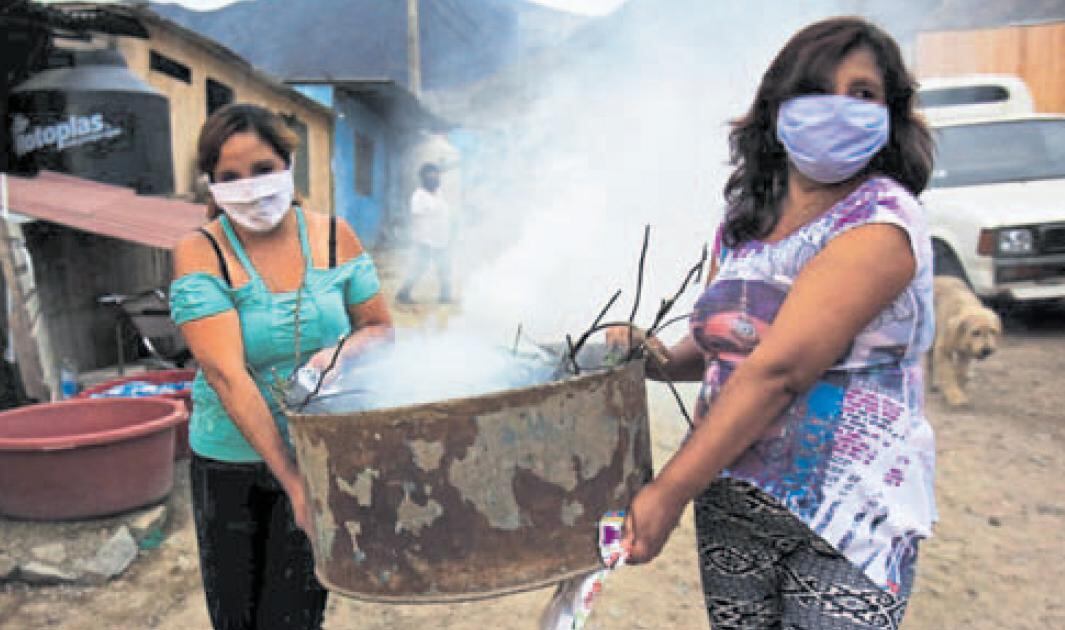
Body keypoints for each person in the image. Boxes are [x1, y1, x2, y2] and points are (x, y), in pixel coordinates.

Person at [610, 17, 936, 630]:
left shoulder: (883, 221)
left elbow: (778, 371)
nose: (839, 107)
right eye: (817, 89)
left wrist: (667, 491)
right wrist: (649, 356)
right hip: (734, 500)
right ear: (778, 107)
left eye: (863, 93)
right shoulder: (744, 224)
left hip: (845, 515)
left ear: (890, 113)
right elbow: (719, 352)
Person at [169, 103, 393, 629]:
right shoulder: (201, 252)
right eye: (230, 177)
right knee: (238, 619)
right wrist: (291, 480)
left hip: (320, 452)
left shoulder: (336, 237)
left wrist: (337, 354)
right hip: (229, 461)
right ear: (212, 185)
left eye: (263, 169)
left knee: (294, 617)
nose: (249, 187)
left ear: (289, 163)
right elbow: (226, 374)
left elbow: (380, 327)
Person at [396, 162, 453, 304]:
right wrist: (422, 240)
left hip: (442, 239)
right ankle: (403, 294)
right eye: (431, 176)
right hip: (426, 240)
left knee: (445, 268)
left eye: (436, 175)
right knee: (419, 267)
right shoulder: (418, 196)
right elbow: (417, 220)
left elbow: (444, 215)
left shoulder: (440, 194)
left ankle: (445, 297)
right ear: (424, 178)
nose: (435, 178)